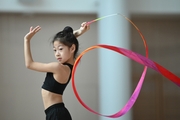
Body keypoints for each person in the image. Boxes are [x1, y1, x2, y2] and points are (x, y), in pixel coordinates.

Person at [24, 22, 90, 120]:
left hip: (56, 114)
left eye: (60, 49)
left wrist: (26, 40)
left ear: (72, 48)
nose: (57, 54)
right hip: (56, 113)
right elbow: (69, 40)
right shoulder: (69, 65)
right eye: (55, 50)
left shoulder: (58, 67)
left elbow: (29, 64)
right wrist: (80, 31)